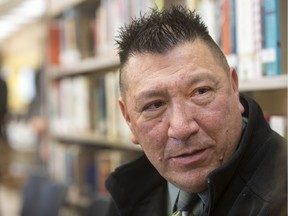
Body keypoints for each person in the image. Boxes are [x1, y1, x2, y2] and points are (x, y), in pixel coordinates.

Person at [105, 5, 287, 216]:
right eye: (154, 105)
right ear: (128, 118)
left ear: (234, 87)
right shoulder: (126, 194)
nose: (182, 129)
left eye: (201, 92)